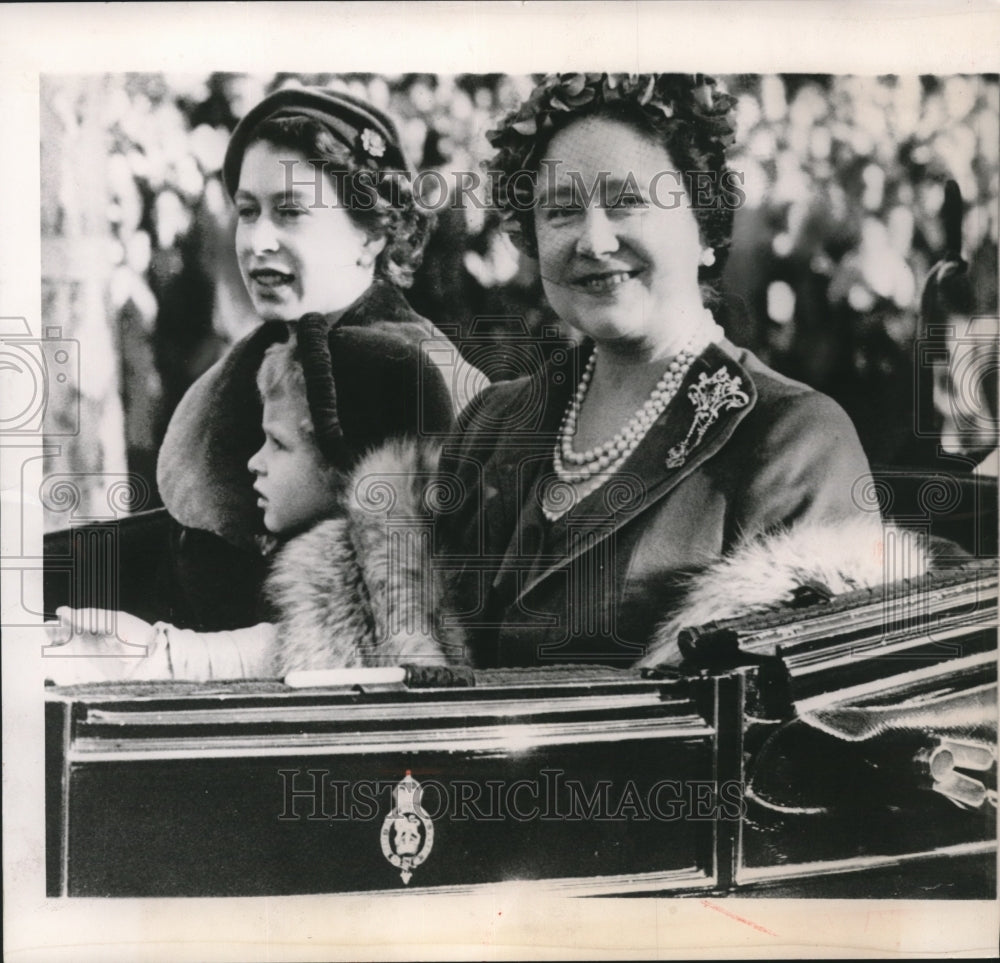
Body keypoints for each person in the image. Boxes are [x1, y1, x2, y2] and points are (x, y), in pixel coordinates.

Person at [435, 73, 884, 670]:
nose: (594, 240)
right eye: (562, 211)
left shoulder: (795, 440)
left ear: (704, 227)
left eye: (627, 202)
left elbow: (805, 724)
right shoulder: (493, 422)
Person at [154, 84, 486, 631]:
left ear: (371, 235)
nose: (258, 240)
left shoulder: (413, 380)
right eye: (247, 211)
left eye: (290, 211)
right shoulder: (259, 360)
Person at [46, 331, 465, 683]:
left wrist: (158, 654)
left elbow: (298, 650)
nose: (255, 462)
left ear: (347, 466)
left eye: (279, 444)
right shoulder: (321, 570)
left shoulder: (379, 598)